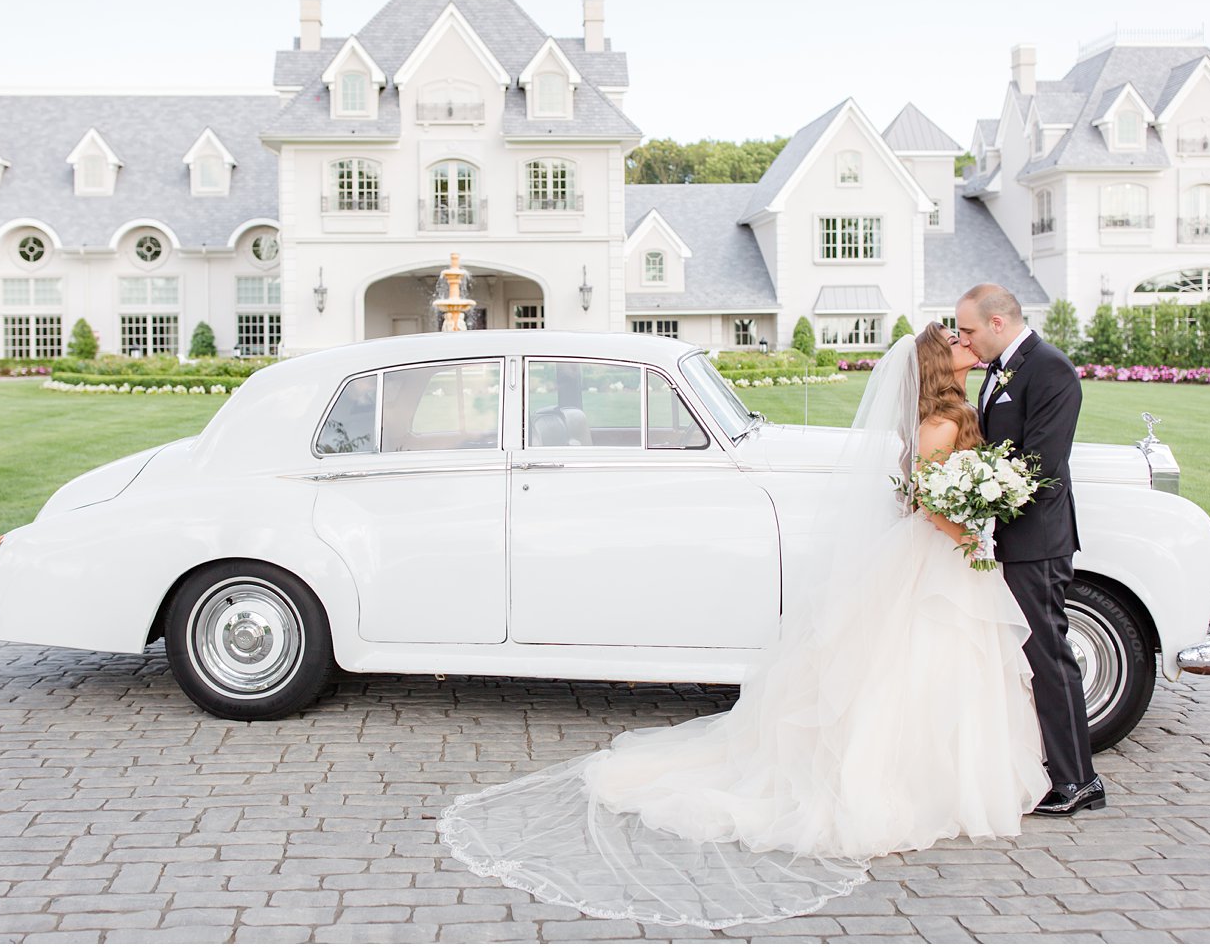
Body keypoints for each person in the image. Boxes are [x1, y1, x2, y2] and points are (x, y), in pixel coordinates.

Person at [437, 323, 1051, 929]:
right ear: (942, 368)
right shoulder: (940, 425)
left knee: (917, 666)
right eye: (960, 346)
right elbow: (929, 501)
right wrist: (972, 535)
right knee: (909, 666)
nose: (970, 349)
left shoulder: (940, 418)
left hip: (932, 556)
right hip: (939, 554)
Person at [954, 283, 1103, 816]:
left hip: (1037, 540)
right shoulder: (1000, 369)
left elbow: (1041, 463)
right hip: (1010, 537)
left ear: (999, 322)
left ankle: (1078, 780)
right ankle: (1051, 767)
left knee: (1049, 656)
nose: (963, 340)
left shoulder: (1051, 369)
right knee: (1030, 658)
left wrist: (977, 490)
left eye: (968, 329)